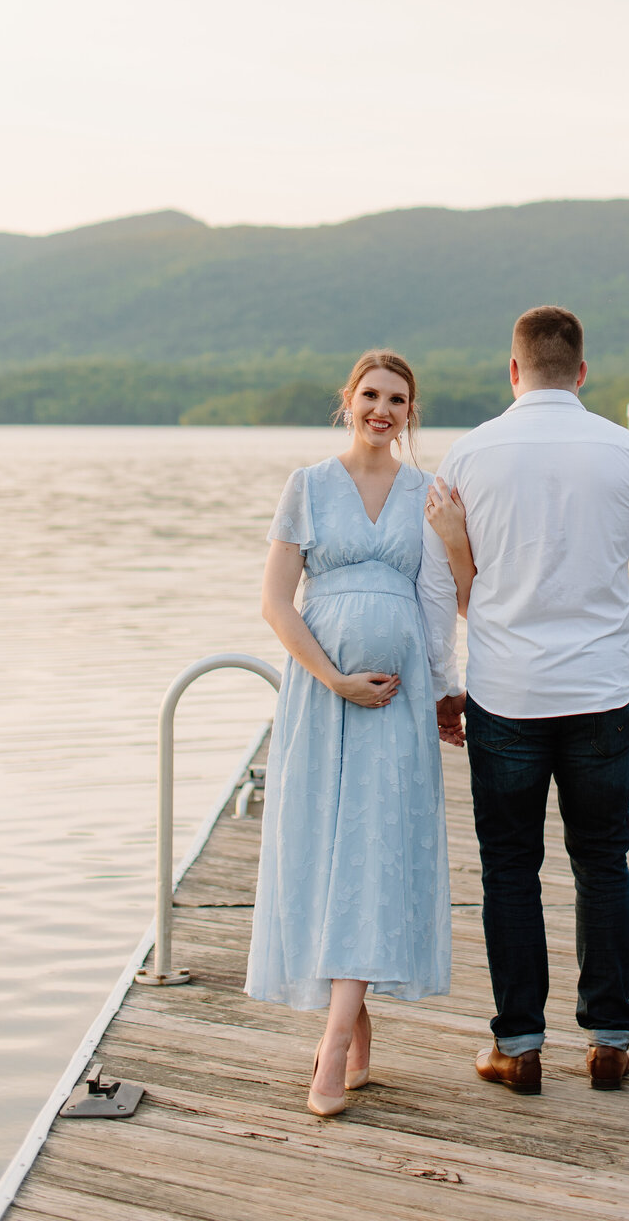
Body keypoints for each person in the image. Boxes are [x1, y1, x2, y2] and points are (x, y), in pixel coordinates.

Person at [417, 306, 629, 1096]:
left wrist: (443, 683)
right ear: (582, 371)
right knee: (604, 863)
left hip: (505, 693)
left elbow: (437, 582)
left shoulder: (469, 455)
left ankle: (520, 1046)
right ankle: (608, 1038)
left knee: (510, 869)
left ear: (513, 370)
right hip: (600, 693)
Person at [245, 349, 475, 1117]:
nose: (384, 409)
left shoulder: (427, 494)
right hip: (323, 700)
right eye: (371, 394)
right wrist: (333, 677)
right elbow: (278, 604)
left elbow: (449, 599)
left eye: (398, 399)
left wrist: (445, 690)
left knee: (377, 854)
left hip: (402, 708)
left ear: (413, 412)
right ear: (348, 400)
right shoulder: (307, 487)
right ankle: (358, 1026)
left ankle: (336, 1046)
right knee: (327, 853)